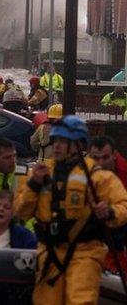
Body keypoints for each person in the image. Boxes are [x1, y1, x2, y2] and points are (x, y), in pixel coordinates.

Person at [14, 115, 127, 305]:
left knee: (80, 300)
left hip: (85, 252)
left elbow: (123, 205)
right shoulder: (40, 173)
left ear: (77, 145)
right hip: (49, 252)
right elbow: (19, 213)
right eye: (55, 141)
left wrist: (109, 212)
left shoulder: (97, 177)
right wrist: (33, 186)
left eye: (63, 141)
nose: (56, 146)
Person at [89, 136, 127, 272]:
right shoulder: (83, 174)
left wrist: (111, 211)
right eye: (96, 158)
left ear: (114, 155)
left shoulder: (124, 173)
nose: (100, 163)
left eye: (105, 157)